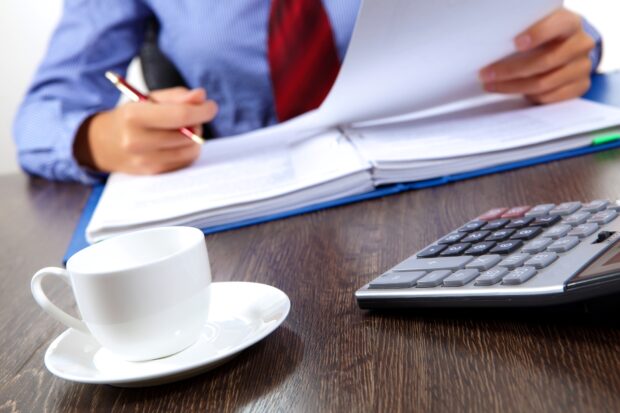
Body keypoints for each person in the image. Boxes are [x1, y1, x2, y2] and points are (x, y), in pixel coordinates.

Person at [13, 1, 602, 183]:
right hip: (261, 209)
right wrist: (96, 136)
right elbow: (43, 112)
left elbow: (527, 20)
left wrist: (573, 48)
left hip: (459, 174)